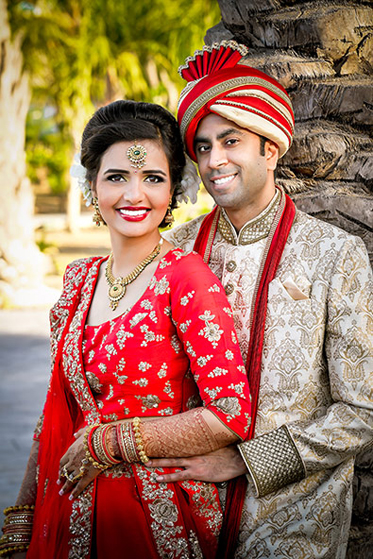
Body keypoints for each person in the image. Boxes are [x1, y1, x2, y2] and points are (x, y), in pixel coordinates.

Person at [0, 100, 253, 559]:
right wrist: (21, 517)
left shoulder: (186, 278)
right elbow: (57, 407)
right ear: (91, 184)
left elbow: (232, 412)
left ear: (176, 188)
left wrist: (111, 441)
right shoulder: (79, 280)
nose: (134, 195)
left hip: (155, 517)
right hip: (68, 506)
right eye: (117, 177)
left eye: (153, 179)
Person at [149, 41, 373, 558]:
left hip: (295, 524)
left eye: (230, 140)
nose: (213, 160)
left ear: (270, 148)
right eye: (202, 147)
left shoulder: (333, 253)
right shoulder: (175, 250)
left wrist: (249, 460)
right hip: (181, 512)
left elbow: (362, 410)